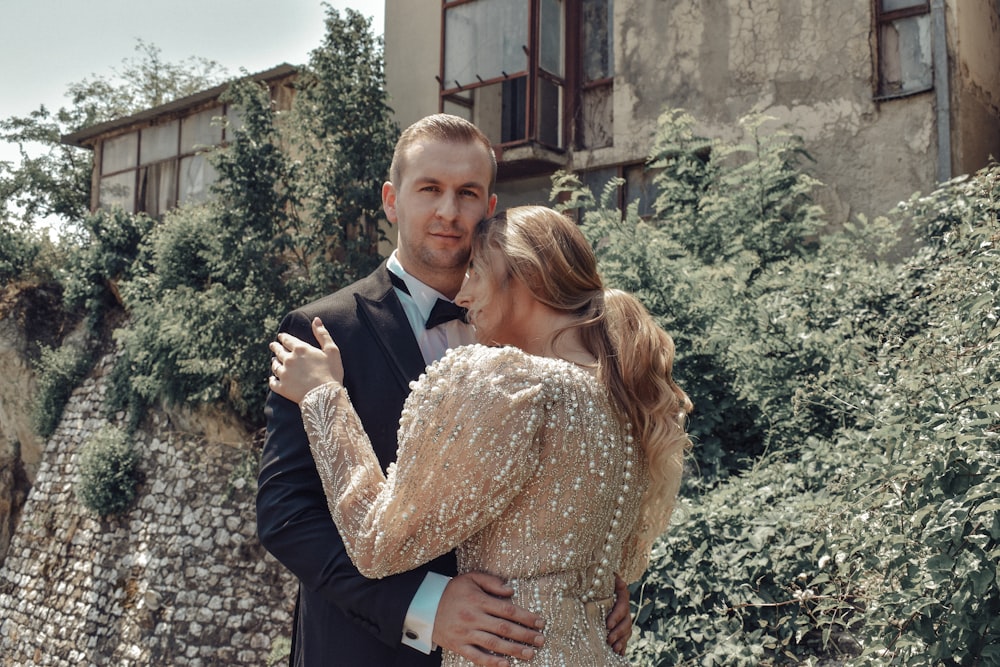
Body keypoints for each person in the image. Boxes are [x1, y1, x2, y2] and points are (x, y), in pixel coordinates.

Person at [256, 115, 632, 667]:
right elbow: (286, 514)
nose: (449, 212)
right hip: (367, 650)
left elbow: (567, 487)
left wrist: (592, 579)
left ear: (491, 207)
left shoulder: (535, 334)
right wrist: (425, 607)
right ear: (392, 200)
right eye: (429, 189)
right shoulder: (323, 330)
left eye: (467, 193)